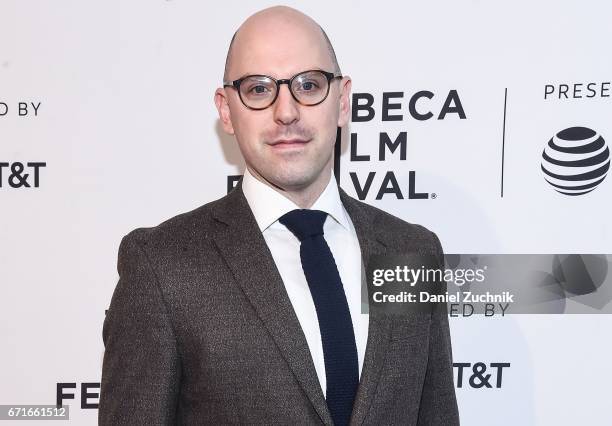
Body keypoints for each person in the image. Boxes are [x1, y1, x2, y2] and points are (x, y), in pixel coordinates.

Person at [99, 6, 459, 425]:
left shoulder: (411, 251)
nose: (286, 111)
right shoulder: (162, 265)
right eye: (257, 89)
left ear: (342, 102)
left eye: (309, 85)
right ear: (227, 110)